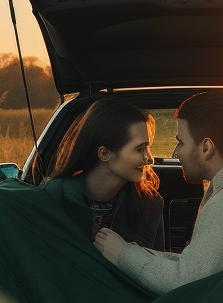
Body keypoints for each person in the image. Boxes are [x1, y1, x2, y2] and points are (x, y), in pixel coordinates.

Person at [96, 90, 223, 294]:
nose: (176, 152)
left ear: (206, 147)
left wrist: (122, 253)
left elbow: (186, 283)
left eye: (180, 142)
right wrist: (136, 251)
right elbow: (195, 266)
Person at [42, 98, 166, 250]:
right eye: (140, 149)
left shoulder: (150, 204)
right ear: (105, 153)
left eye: (148, 148)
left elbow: (153, 264)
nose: (149, 158)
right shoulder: (53, 195)